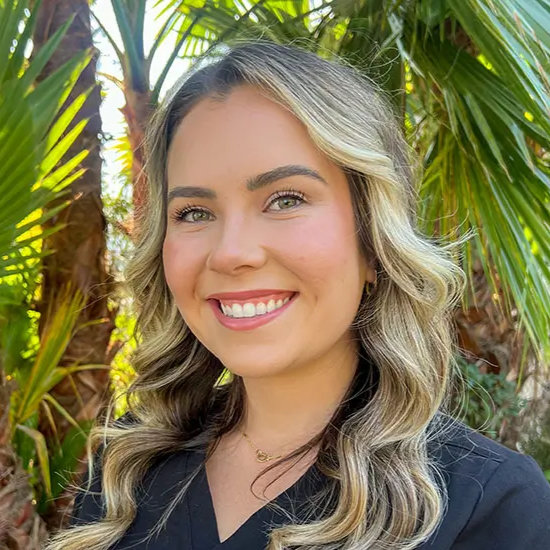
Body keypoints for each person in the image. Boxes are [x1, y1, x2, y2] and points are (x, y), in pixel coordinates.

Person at [45, 40, 550, 550]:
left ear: (374, 241)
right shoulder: (126, 467)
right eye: (194, 212)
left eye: (285, 199)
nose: (230, 253)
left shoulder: (488, 506)